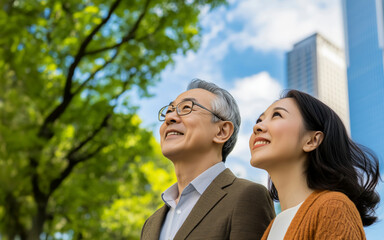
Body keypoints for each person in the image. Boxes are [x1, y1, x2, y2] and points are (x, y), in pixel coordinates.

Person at [141, 79, 275, 240]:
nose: (170, 118)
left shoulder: (247, 196)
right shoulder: (151, 223)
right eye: (169, 111)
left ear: (222, 131)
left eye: (186, 108)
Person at [249, 89, 380, 240]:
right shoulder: (273, 227)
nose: (257, 127)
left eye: (277, 115)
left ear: (312, 140)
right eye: (259, 120)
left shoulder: (334, 207)